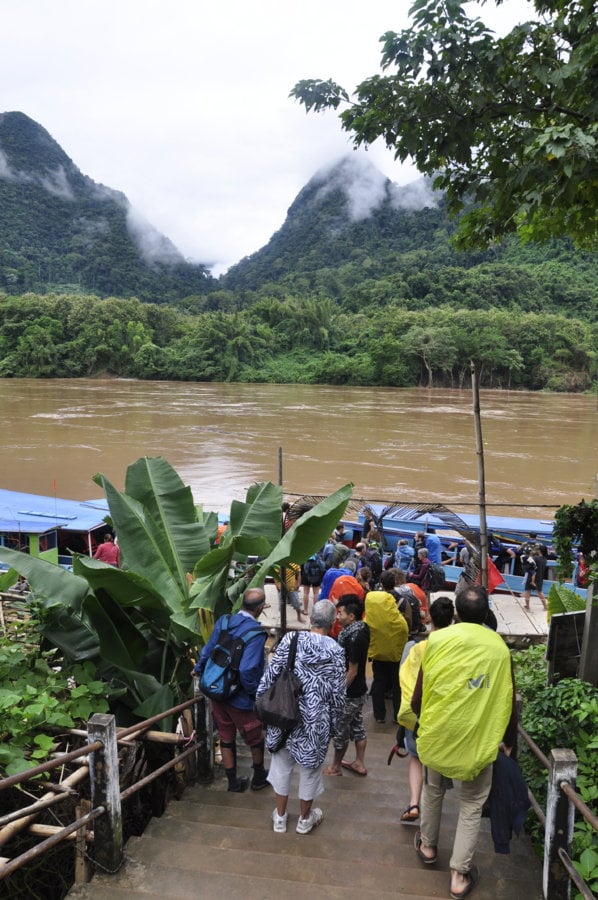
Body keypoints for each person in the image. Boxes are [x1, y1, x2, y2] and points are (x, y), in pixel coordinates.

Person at [411, 584, 516, 900]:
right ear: (486, 614)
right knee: (471, 805)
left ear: (456, 613)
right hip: (478, 741)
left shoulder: (437, 640)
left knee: (433, 790)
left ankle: (428, 846)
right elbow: (508, 699)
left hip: (439, 734)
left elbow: (418, 698)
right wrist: (508, 741)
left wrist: (424, 723)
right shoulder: (499, 648)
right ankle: (458, 875)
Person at [256, 600, 345, 834]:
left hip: (285, 713)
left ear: (310, 619)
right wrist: (335, 725)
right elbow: (338, 694)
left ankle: (280, 818)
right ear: (332, 623)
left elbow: (271, 674)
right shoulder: (336, 650)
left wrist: (261, 704)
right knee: (310, 770)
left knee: (281, 765)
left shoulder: (291, 640)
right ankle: (305, 820)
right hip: (316, 720)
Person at [193, 588, 269, 793]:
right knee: (254, 737)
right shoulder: (256, 633)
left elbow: (209, 649)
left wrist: (198, 669)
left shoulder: (224, 621)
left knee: (226, 736)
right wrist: (255, 694)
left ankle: (233, 783)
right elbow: (247, 669)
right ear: (260, 608)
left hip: (217, 690)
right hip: (240, 696)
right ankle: (258, 777)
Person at [397, 596, 455, 824]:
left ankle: (414, 803)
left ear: (429, 617)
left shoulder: (414, 647)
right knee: (436, 761)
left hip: (416, 713)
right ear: (452, 620)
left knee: (416, 757)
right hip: (444, 713)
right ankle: (431, 810)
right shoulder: (455, 650)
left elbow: (402, 676)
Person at [324, 596, 370, 777]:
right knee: (358, 726)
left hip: (350, 693)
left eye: (340, 613)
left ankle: (335, 767)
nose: (337, 617)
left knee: (341, 730)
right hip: (359, 690)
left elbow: (352, 671)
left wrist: (338, 693)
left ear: (351, 616)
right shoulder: (361, 629)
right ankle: (359, 763)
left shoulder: (354, 637)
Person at [364, 583, 409, 724]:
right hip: (396, 656)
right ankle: (397, 715)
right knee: (397, 685)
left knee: (378, 682)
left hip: (378, 655)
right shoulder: (399, 622)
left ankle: (379, 715)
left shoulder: (369, 621)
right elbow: (405, 633)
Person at [522, 545, 547, 611]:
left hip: (532, 576)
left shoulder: (536, 558)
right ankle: (545, 606)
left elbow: (527, 565)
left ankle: (527, 606)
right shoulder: (545, 559)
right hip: (540, 576)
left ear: (540, 551)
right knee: (540, 591)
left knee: (528, 590)